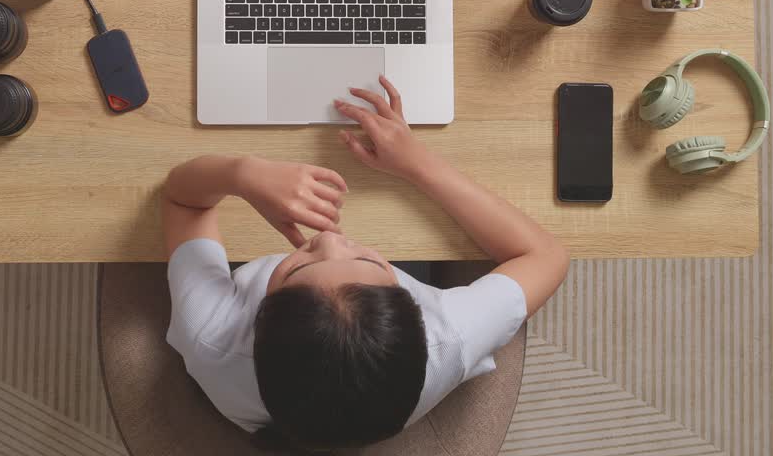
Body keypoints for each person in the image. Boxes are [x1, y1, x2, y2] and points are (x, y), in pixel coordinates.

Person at [162, 75, 569, 452]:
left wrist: (242, 173)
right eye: (367, 260)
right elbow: (546, 257)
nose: (333, 238)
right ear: (419, 314)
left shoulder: (211, 337)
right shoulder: (447, 340)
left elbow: (181, 198)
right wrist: (416, 162)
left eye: (299, 266)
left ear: (256, 319)